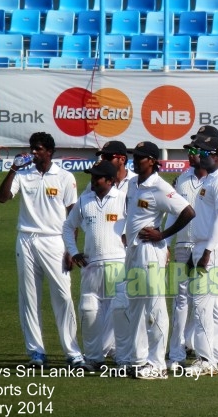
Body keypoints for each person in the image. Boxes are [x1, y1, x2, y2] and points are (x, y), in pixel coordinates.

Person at [0, 132, 85, 368]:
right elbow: (2, 198)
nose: (34, 152)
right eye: (32, 148)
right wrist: (14, 169)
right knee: (29, 297)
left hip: (55, 240)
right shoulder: (23, 174)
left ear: (49, 151)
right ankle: (36, 353)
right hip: (26, 238)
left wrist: (71, 249)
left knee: (63, 296)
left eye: (38, 149)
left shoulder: (65, 177)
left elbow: (72, 216)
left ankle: (73, 353)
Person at [124, 141, 196, 379]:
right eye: (135, 156)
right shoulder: (133, 183)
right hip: (134, 251)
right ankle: (139, 359)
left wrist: (163, 234)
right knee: (135, 307)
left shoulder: (160, 187)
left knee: (155, 307)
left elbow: (188, 211)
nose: (136, 160)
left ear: (153, 161)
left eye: (141, 157)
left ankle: (157, 364)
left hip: (150, 251)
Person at [62, 160, 127, 372]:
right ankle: (93, 359)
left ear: (110, 181)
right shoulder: (84, 200)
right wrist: (74, 252)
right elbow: (67, 226)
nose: (92, 180)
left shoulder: (124, 199)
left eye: (97, 177)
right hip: (91, 265)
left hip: (118, 263)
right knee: (89, 311)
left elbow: (139, 225)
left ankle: (122, 357)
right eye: (91, 176)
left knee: (119, 311)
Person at [185, 135, 218, 377]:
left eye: (204, 152)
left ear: (216, 156)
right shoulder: (213, 178)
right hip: (207, 246)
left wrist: (208, 250)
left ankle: (205, 359)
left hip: (212, 247)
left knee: (201, 304)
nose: (199, 155)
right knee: (214, 306)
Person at [86, 140, 137, 367]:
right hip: (101, 253)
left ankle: (121, 350)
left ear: (121, 159)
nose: (102, 160)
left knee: (124, 304)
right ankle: (107, 350)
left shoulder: (136, 182)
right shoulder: (95, 182)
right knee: (104, 305)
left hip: (129, 252)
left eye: (107, 157)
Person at [164, 141, 208, 371]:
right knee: (180, 300)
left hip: (203, 248)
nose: (190, 155)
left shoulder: (215, 180)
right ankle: (176, 353)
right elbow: (174, 213)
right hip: (182, 245)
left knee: (201, 301)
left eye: (194, 152)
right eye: (188, 151)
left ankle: (201, 352)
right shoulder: (182, 179)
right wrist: (165, 241)